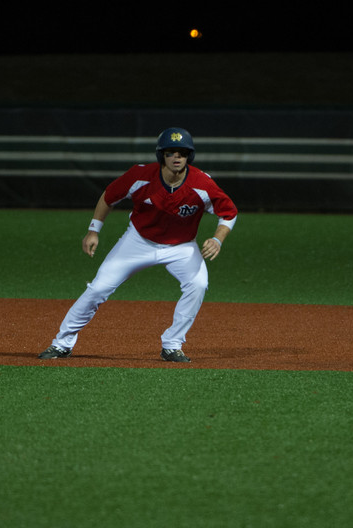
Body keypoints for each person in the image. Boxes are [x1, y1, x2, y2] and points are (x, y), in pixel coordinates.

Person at [39, 127, 238, 363]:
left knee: (198, 284)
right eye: (171, 152)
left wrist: (217, 239)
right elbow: (109, 197)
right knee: (99, 289)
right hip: (138, 241)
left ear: (189, 156)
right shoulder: (140, 175)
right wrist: (94, 230)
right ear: (161, 155)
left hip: (181, 247)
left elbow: (229, 213)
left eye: (182, 153)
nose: (177, 157)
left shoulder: (201, 183)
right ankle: (62, 344)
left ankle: (172, 345)